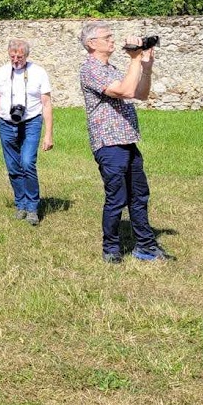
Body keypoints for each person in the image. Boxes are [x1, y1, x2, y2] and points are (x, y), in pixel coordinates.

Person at [78, 23, 172, 264]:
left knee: (139, 196)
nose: (112, 40)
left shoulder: (112, 69)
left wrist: (146, 68)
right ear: (92, 43)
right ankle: (111, 249)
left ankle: (145, 247)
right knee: (117, 198)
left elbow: (140, 93)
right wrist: (135, 58)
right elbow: (124, 91)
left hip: (128, 139)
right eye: (107, 37)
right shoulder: (90, 69)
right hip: (109, 143)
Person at [0, 40, 54, 226]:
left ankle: (32, 207)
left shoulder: (38, 72)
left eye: (20, 57)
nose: (16, 60)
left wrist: (48, 134)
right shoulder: (1, 72)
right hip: (6, 123)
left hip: (31, 122)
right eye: (12, 57)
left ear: (27, 56)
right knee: (13, 167)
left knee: (27, 163)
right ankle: (20, 204)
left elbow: (46, 104)